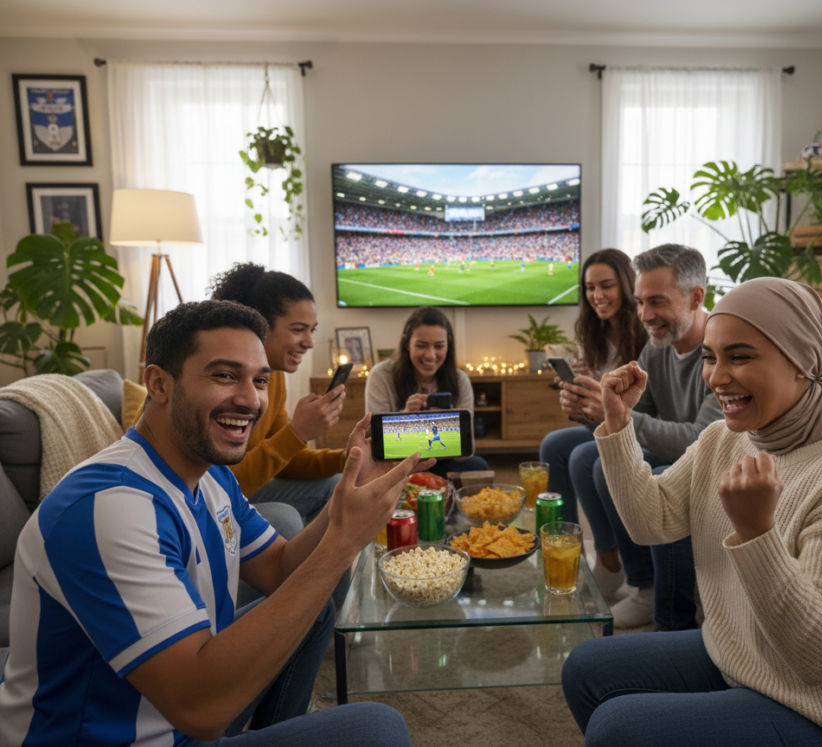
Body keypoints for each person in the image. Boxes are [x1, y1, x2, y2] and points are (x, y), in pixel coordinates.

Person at [0, 300, 424, 746]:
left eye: (259, 380)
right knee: (378, 730)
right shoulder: (111, 507)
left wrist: (344, 504)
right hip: (136, 732)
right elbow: (198, 710)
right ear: (159, 383)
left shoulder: (211, 473)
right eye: (224, 375)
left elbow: (281, 568)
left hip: (184, 717)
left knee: (314, 609)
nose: (251, 399)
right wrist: (343, 542)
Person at [561, 277, 822, 747]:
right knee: (585, 667)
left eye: (740, 356)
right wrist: (619, 424)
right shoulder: (726, 437)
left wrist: (756, 532)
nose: (716, 377)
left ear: (802, 361)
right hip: (742, 655)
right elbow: (651, 522)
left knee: (617, 730)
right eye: (710, 357)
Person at [563, 245, 722, 630]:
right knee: (586, 458)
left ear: (696, 296)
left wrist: (616, 417)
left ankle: (665, 609)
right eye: (639, 302)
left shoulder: (720, 351)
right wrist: (592, 412)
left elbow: (704, 438)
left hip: (708, 459)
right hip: (673, 453)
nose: (645, 315)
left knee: (610, 467)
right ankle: (629, 575)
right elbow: (642, 420)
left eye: (657, 302)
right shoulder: (656, 348)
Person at [132, 263, 346, 526]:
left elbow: (282, 458)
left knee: (338, 483)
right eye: (298, 329)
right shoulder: (186, 393)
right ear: (260, 326)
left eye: (311, 331)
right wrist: (298, 432)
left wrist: (346, 457)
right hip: (187, 497)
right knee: (285, 519)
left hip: (235, 487)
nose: (309, 342)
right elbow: (215, 482)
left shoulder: (273, 378)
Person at [538, 248, 647, 582]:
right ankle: (566, 552)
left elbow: (645, 407)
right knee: (553, 445)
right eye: (590, 287)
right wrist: (579, 406)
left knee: (585, 457)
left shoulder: (645, 335)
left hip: (638, 428)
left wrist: (598, 409)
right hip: (610, 425)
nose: (597, 296)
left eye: (607, 286)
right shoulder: (597, 334)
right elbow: (599, 417)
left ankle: (609, 556)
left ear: (627, 286)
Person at [364, 306, 489, 476]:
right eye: (421, 346)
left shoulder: (460, 380)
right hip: (396, 465)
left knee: (478, 466)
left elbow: (463, 454)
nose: (430, 355)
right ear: (407, 343)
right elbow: (376, 446)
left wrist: (448, 424)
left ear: (448, 345)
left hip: (443, 461)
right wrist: (405, 416)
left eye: (439, 346)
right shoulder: (381, 375)